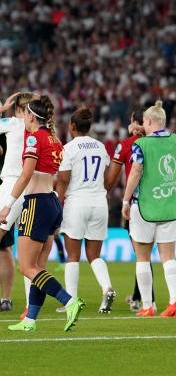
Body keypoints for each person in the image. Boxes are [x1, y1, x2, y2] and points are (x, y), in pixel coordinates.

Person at [0, 95, 85, 331]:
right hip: (53, 202)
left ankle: (70, 301)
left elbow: (26, 175)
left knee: (27, 266)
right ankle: (30, 320)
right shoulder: (55, 140)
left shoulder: (34, 139)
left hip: (36, 203)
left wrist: (9, 204)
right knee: (38, 266)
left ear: (30, 116)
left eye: (25, 115)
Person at [122, 101, 176, 317]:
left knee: (143, 257)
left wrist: (125, 200)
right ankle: (173, 302)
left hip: (144, 206)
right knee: (169, 257)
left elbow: (136, 170)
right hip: (168, 206)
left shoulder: (141, 145)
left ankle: (147, 305)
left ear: (148, 121)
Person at [56, 107, 115, 313]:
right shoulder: (101, 147)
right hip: (99, 203)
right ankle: (106, 288)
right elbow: (107, 181)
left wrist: (56, 204)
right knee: (94, 255)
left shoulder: (69, 148)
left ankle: (70, 302)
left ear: (72, 127)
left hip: (77, 203)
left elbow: (63, 180)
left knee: (73, 255)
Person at [105, 106, 156, 313]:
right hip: (160, 202)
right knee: (146, 254)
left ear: (138, 123)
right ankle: (137, 296)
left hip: (136, 203)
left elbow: (112, 180)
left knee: (141, 254)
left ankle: (148, 300)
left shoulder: (126, 145)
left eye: (132, 121)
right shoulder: (162, 142)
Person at [0, 92, 33, 313]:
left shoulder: (10, 123)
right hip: (32, 189)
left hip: (11, 187)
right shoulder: (39, 131)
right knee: (25, 252)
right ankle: (18, 302)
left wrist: (2, 111)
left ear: (19, 109)